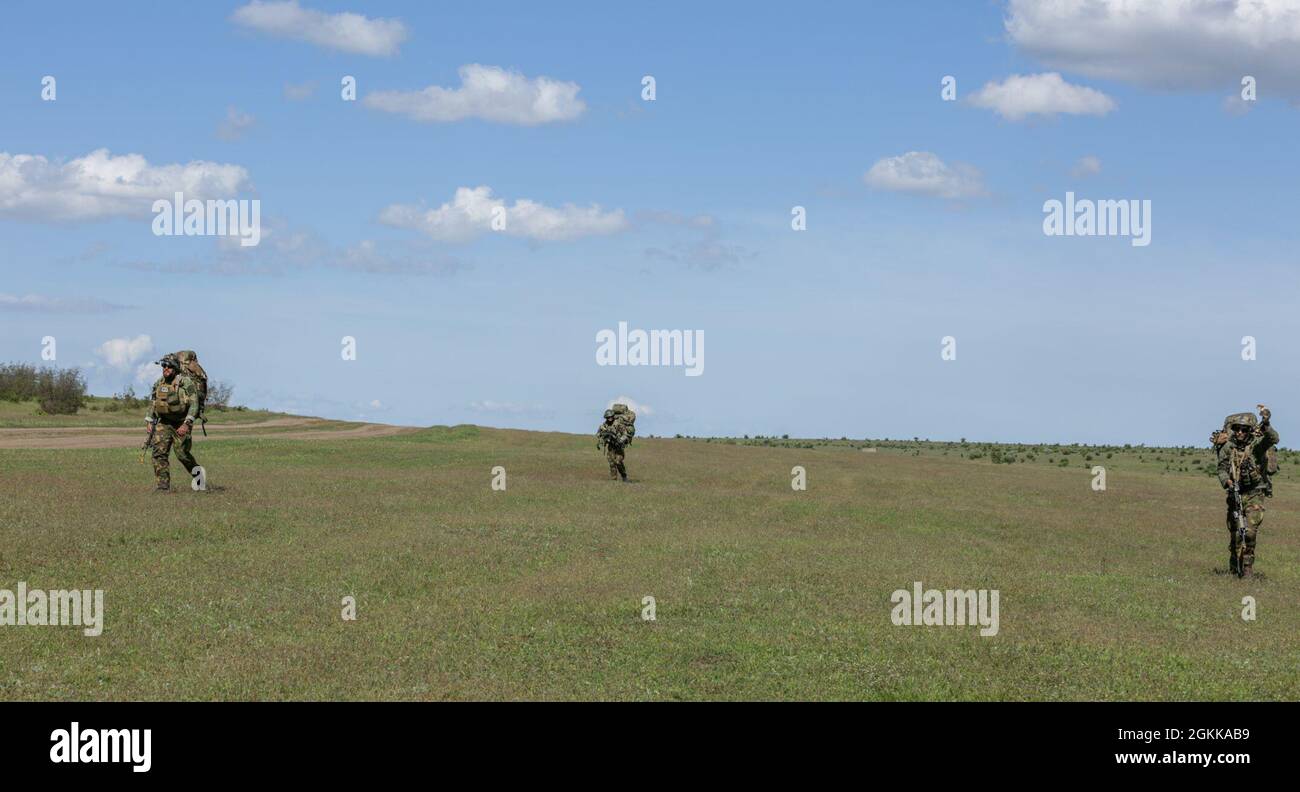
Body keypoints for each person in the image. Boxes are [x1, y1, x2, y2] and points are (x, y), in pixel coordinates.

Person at [1215, 405, 1278, 577]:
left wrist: (1266, 424)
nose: (1240, 432)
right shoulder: (1228, 447)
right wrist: (1227, 481)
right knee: (1235, 533)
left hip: (1254, 493)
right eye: (1237, 429)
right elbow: (1221, 469)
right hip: (1235, 493)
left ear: (1250, 431)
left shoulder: (1256, 446)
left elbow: (1272, 439)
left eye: (1244, 429)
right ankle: (1234, 568)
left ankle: (1248, 568)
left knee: (1249, 532)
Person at [145, 354, 202, 492]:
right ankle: (163, 487)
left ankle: (199, 477)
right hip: (164, 422)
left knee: (182, 454)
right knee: (159, 454)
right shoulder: (159, 383)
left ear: (175, 368)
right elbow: (154, 401)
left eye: (169, 366)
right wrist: (149, 420)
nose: (165, 368)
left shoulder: (185, 383)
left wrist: (186, 424)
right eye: (164, 366)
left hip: (181, 422)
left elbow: (195, 404)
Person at [597, 409, 629, 482]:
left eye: (611, 416)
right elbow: (598, 434)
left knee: (618, 462)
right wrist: (604, 436)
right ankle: (614, 480)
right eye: (608, 417)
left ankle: (624, 476)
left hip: (619, 447)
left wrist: (620, 440)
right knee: (612, 463)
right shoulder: (604, 425)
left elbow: (625, 434)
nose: (610, 418)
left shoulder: (618, 424)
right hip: (611, 447)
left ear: (613, 416)